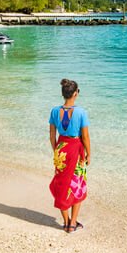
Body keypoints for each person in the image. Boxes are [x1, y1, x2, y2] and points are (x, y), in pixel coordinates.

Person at [49, 78, 90, 233]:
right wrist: (89, 154)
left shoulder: (54, 111)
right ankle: (72, 224)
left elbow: (52, 135)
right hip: (76, 150)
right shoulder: (81, 112)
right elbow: (85, 137)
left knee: (62, 185)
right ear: (75, 94)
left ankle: (65, 222)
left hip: (61, 149)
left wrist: (57, 150)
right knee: (76, 184)